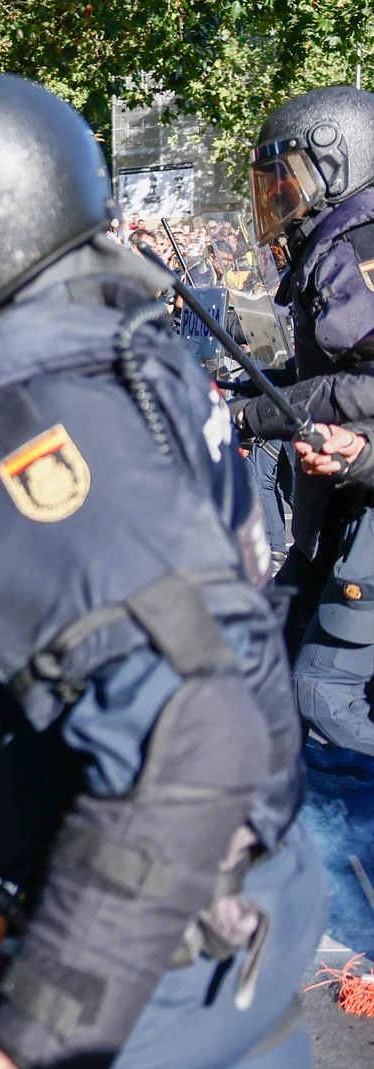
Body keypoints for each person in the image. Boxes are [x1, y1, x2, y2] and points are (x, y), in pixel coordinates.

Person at [0, 73, 322, 1069]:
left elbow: (195, 737)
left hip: (158, 946)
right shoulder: (120, 358)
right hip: (228, 909)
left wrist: (30, 1040)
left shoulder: (32, 429)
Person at [231, 85, 374, 779]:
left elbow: (364, 387)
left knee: (324, 692)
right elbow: (331, 365)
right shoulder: (334, 247)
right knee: (268, 669)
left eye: (288, 178)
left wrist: (260, 412)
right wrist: (247, 388)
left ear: (337, 160)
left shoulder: (360, 247)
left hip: (365, 509)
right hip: (338, 513)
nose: (278, 198)